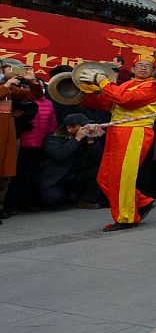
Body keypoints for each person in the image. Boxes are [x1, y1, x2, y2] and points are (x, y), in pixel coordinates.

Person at [77, 54, 156, 231]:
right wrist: (80, 94)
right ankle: (142, 202)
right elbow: (104, 102)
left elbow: (126, 100)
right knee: (106, 177)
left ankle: (127, 217)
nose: (143, 68)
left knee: (123, 177)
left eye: (147, 66)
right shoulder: (125, 85)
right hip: (117, 132)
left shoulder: (153, 87)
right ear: (132, 69)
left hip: (135, 131)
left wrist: (102, 81)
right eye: (139, 65)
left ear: (154, 71)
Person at [0, 59, 44, 223]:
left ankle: (1, 206)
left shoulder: (11, 86)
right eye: (14, 69)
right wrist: (6, 86)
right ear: (4, 69)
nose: (17, 72)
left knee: (6, 171)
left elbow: (34, 95)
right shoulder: (7, 85)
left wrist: (32, 80)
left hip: (8, 133)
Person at [39, 113, 104, 208]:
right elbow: (59, 155)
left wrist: (91, 142)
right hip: (58, 177)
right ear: (70, 128)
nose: (87, 128)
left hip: (76, 175)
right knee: (53, 199)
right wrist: (77, 139)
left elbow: (98, 159)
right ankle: (69, 196)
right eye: (83, 126)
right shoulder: (52, 138)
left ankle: (86, 200)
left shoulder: (86, 138)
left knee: (97, 170)